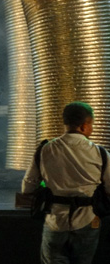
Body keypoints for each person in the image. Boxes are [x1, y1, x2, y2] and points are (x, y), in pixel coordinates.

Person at [22, 101, 110, 264]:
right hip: (88, 220)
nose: (91, 129)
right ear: (84, 126)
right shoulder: (101, 153)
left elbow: (27, 186)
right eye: (91, 125)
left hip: (55, 220)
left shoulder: (45, 149)